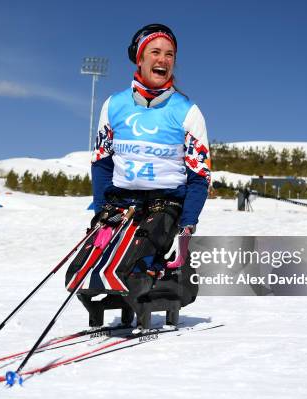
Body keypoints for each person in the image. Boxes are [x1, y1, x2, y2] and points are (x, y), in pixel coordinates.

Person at [67, 23, 210, 331]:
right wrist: (99, 205)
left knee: (132, 272)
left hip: (165, 204)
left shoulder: (187, 110)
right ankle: (106, 299)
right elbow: (102, 162)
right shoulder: (114, 104)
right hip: (122, 202)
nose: (163, 59)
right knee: (79, 273)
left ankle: (169, 286)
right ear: (140, 59)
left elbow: (199, 176)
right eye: (155, 52)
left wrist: (188, 223)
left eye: (169, 54)